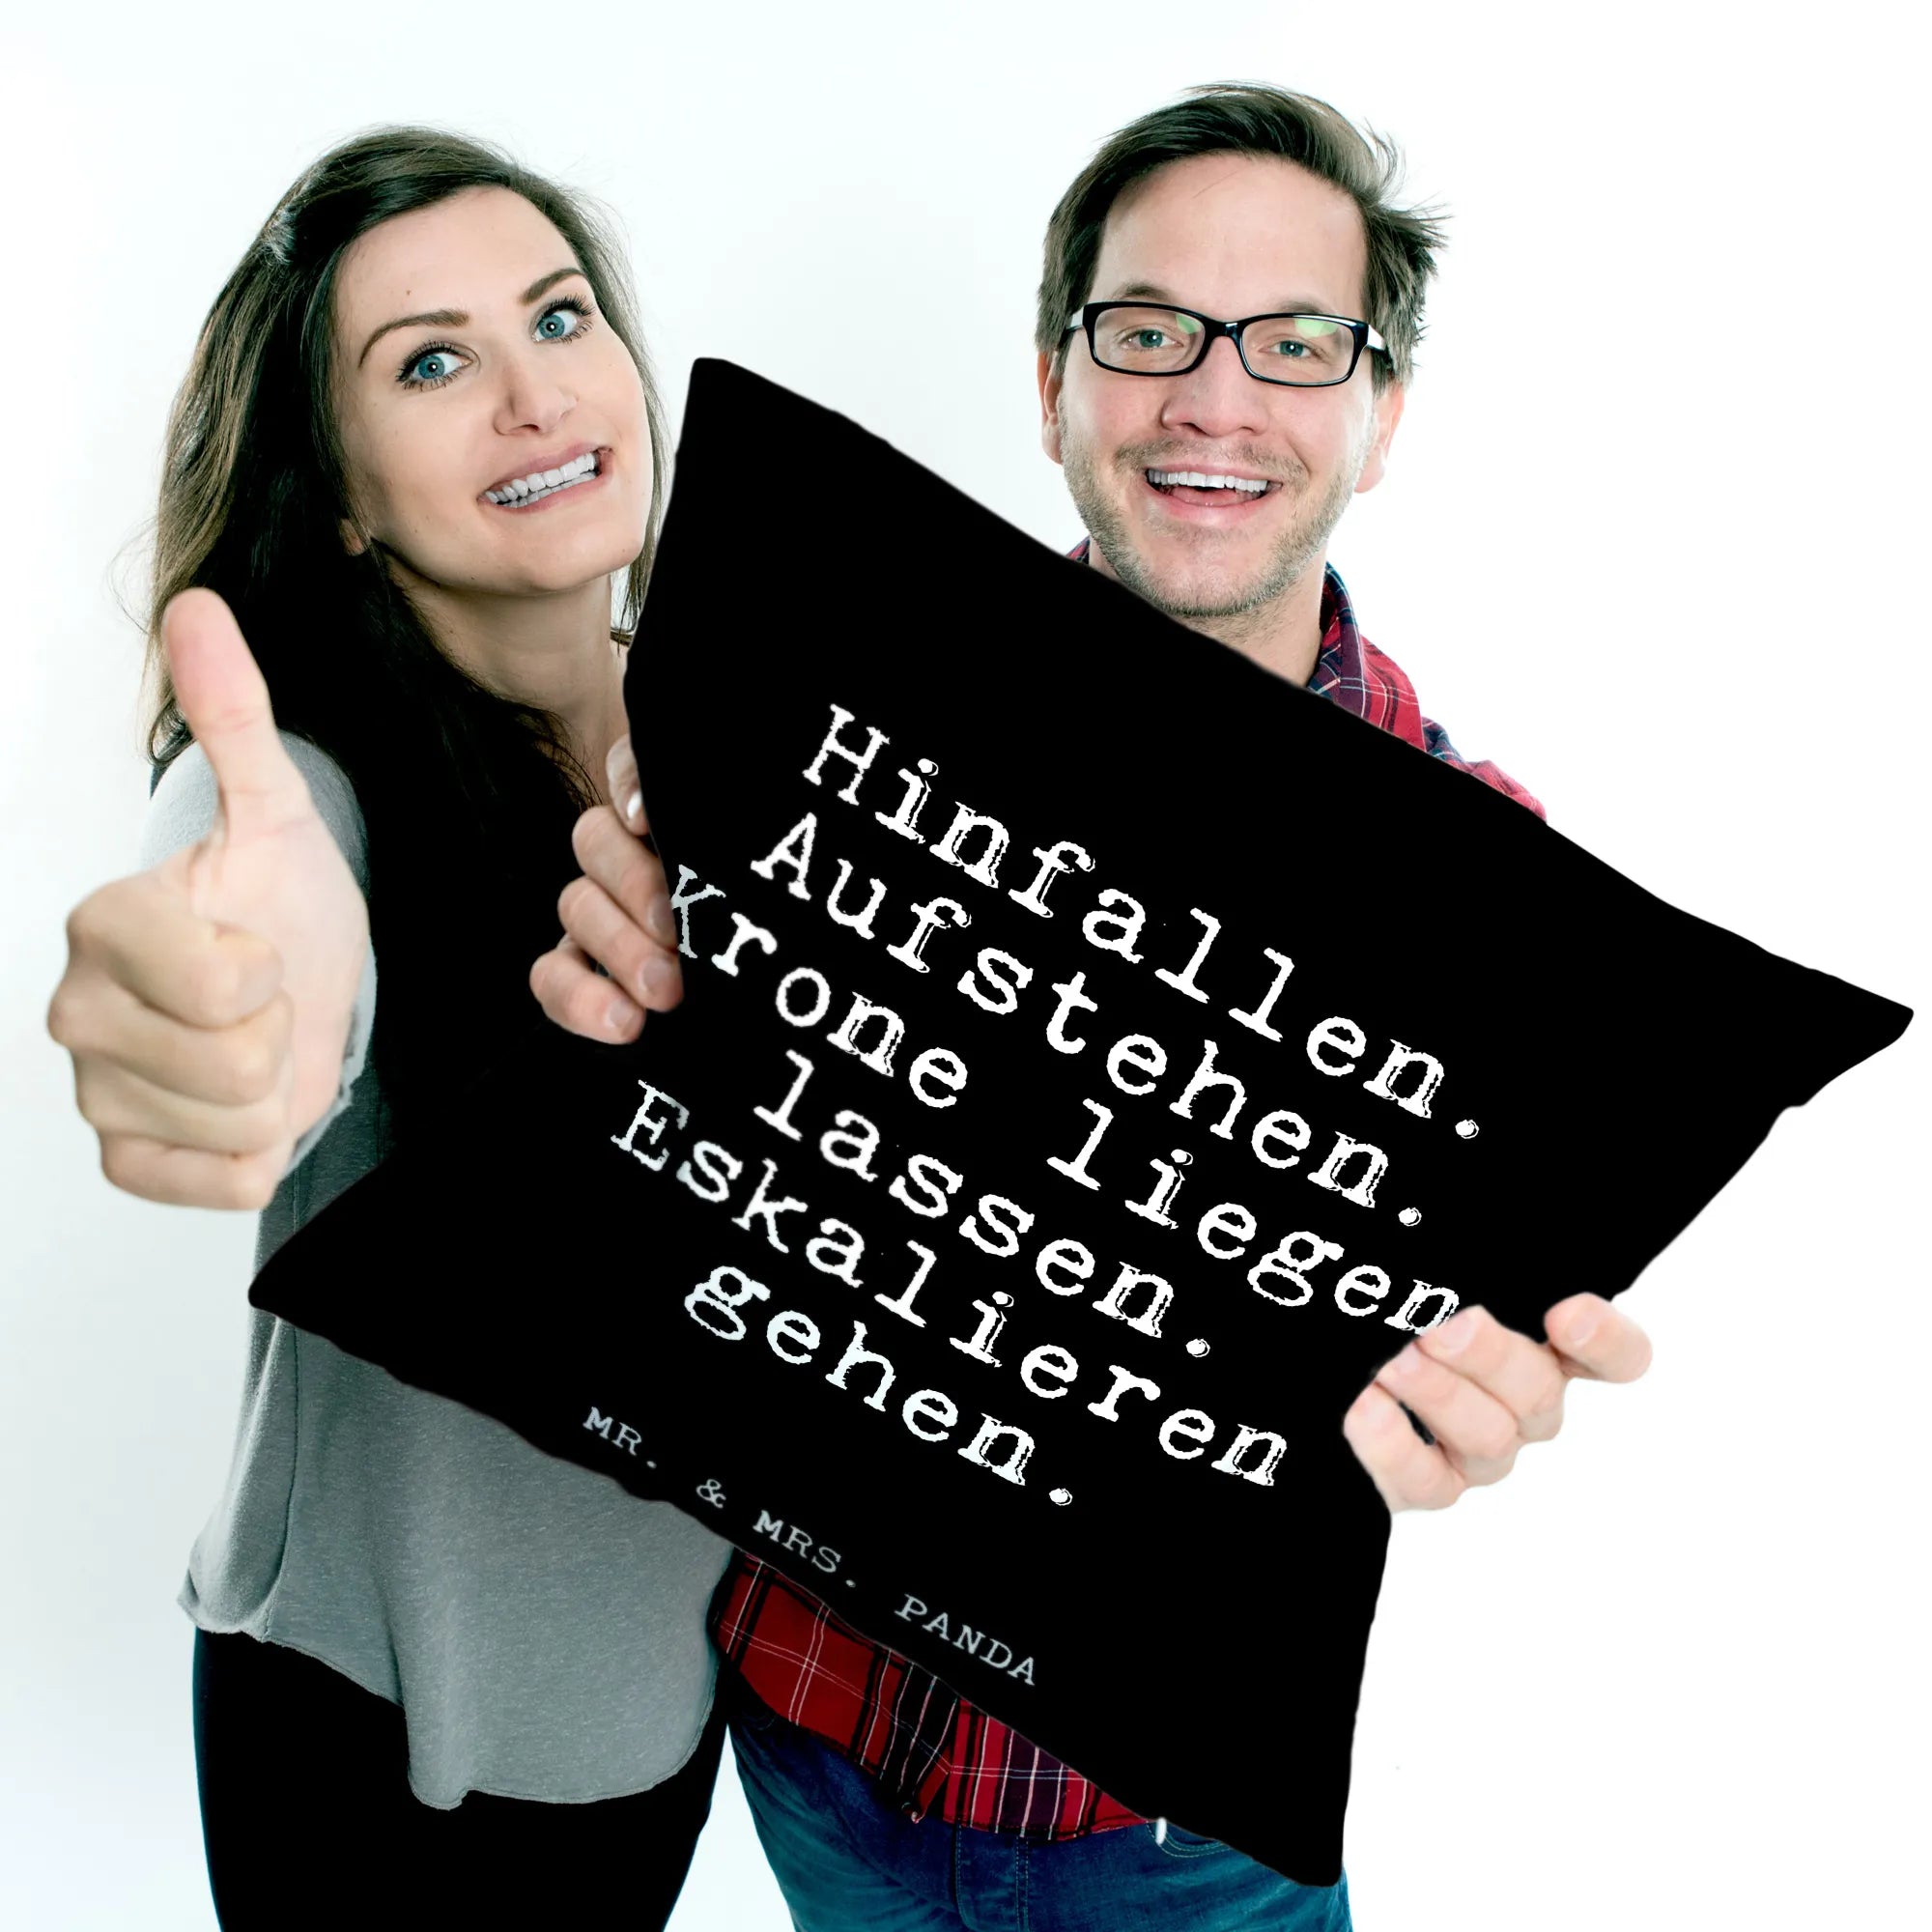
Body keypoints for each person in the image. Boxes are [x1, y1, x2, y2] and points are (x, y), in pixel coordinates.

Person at [535, 83, 1656, 1929]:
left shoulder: (1501, 895)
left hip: (1173, 1840)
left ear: (1379, 418)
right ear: (1055, 385)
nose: (1215, 398)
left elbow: (1436, 1344)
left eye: (1297, 342)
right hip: (801, 1734)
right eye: (1150, 333)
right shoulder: (835, 723)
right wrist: (624, 1009)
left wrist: (1473, 1393)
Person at [44, 130, 722, 1927]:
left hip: (660, 1717)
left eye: (558, 318)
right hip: (377, 1742)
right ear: (342, 496)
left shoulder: (732, 751)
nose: (532, 395)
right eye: (430, 362)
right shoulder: (310, 780)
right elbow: (251, 893)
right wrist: (222, 996)